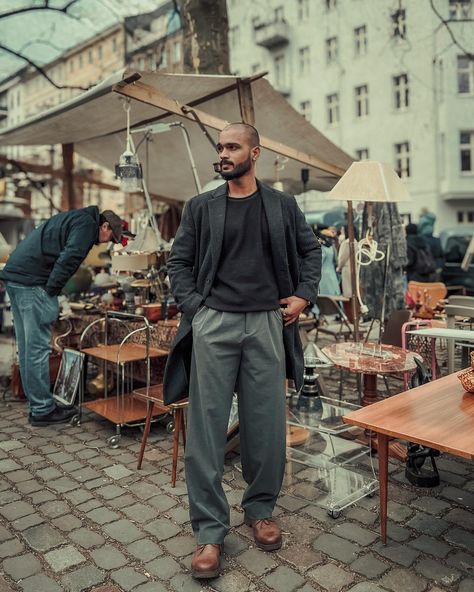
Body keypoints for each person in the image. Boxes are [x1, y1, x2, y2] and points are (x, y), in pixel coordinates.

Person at [163, 122, 321, 579]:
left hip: (268, 323)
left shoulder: (282, 205)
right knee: (206, 429)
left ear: (255, 152)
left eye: (233, 147)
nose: (224, 154)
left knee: (266, 425)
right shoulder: (201, 207)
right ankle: (210, 533)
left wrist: (303, 295)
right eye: (220, 147)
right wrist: (198, 309)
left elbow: (312, 254)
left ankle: (260, 510)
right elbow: (179, 262)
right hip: (215, 323)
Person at [1, 207, 127, 427]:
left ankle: (38, 406)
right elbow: (70, 258)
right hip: (32, 282)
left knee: (28, 348)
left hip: (17, 278)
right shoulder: (88, 225)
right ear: (104, 226)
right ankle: (42, 410)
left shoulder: (77, 218)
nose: (107, 243)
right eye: (110, 238)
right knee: (37, 349)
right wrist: (52, 291)